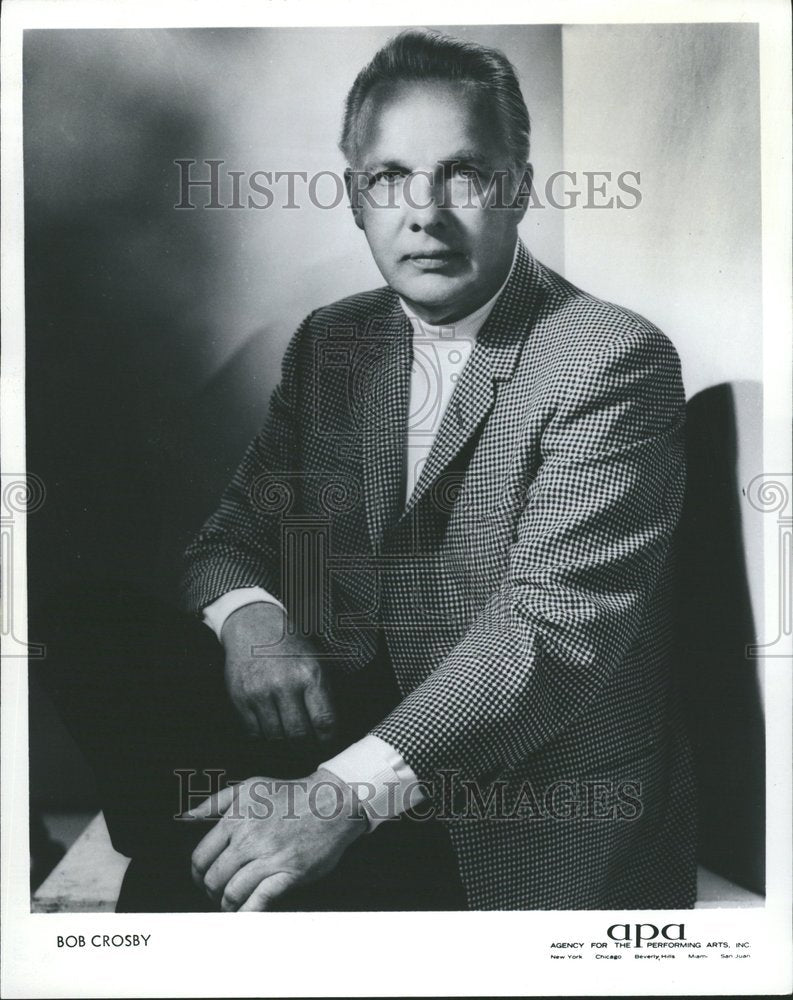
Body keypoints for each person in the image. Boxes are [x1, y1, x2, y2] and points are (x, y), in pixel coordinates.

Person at [36, 28, 697, 912]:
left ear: (519, 188)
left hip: (497, 801)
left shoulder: (608, 357)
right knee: (85, 616)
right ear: (355, 200)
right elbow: (231, 538)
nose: (423, 212)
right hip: (342, 717)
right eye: (389, 178)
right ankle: (228, 839)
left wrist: (333, 799)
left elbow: (548, 639)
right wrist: (255, 624)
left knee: (177, 894)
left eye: (462, 172)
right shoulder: (335, 341)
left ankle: (214, 845)